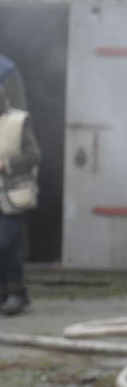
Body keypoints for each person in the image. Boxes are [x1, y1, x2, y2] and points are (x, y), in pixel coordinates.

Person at [0, 74, 41, 316]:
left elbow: (34, 156)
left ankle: (17, 293)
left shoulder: (19, 122)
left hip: (14, 195)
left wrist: (6, 164)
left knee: (6, 243)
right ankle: (5, 293)